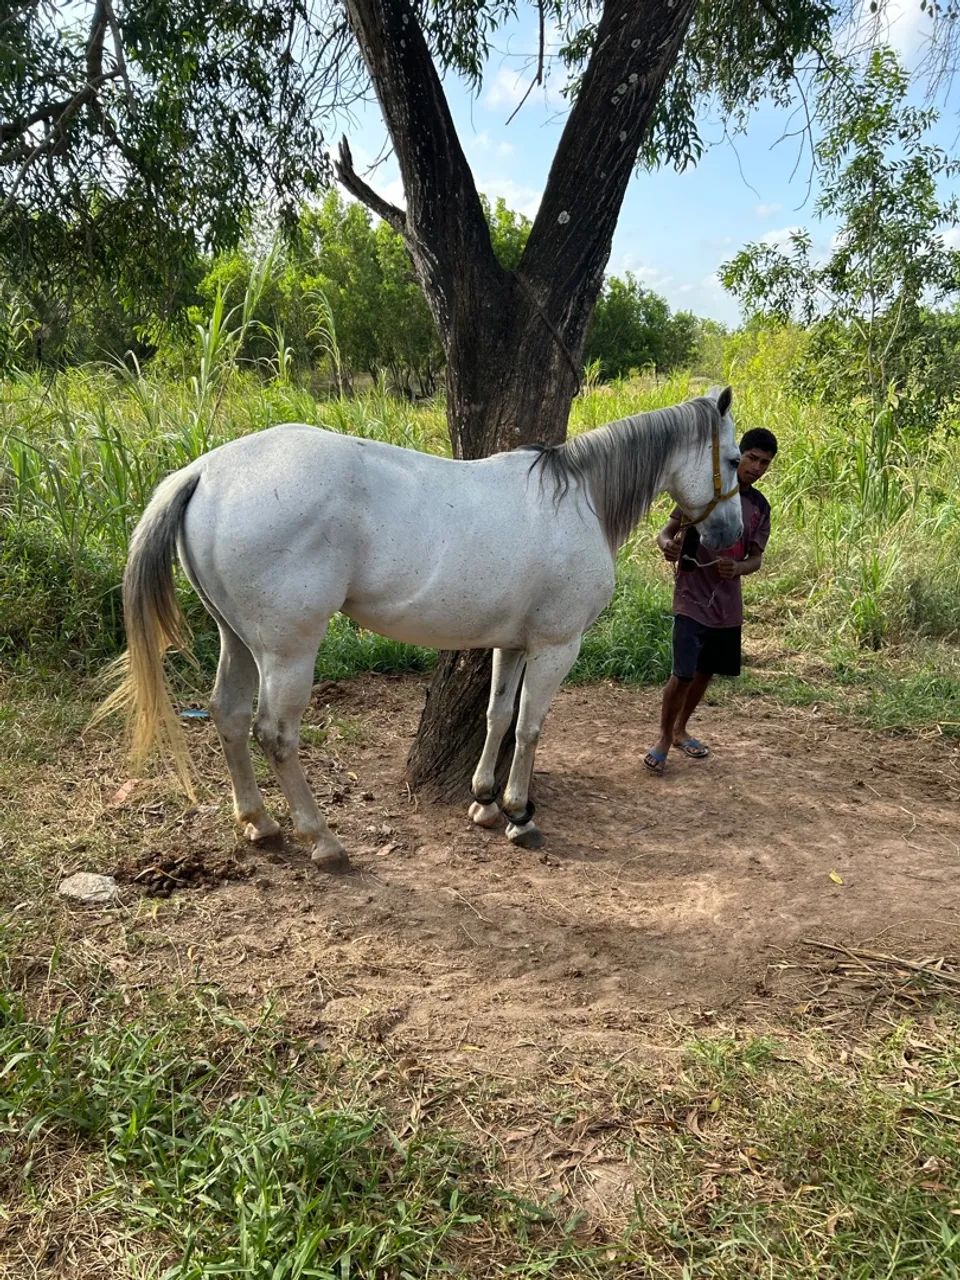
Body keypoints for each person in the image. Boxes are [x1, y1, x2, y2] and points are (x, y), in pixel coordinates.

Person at [643, 427, 778, 775]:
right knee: (683, 672)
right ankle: (661, 739)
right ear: (739, 454)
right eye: (752, 458)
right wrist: (667, 546)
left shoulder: (759, 507)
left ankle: (680, 730)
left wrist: (739, 568)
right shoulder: (706, 490)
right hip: (691, 593)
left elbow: (756, 559)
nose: (757, 467)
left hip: (726, 604)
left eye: (764, 463)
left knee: (705, 672)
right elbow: (665, 532)